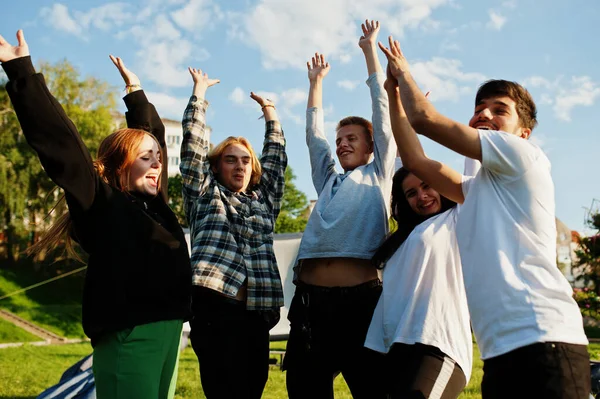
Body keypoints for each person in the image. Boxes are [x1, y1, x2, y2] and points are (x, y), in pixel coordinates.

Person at [378, 36, 590, 399]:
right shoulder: (471, 191)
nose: (485, 114)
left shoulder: (524, 156)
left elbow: (424, 119)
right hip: (499, 352)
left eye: (500, 109)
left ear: (523, 132)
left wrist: (403, 73)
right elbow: (414, 161)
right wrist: (394, 98)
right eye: (479, 107)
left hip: (546, 340)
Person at [0, 30, 192, 399]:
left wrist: (135, 94)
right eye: (146, 158)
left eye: (158, 157)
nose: (157, 164)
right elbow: (60, 143)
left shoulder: (156, 207)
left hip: (168, 332)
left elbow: (150, 137)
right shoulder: (101, 203)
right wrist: (20, 69)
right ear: (120, 167)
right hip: (130, 335)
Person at [283, 20, 395, 399]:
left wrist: (369, 52)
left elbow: (382, 115)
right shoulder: (327, 180)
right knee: (304, 388)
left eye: (352, 139)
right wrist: (315, 83)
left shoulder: (379, 174)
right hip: (310, 304)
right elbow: (314, 138)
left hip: (359, 305)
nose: (343, 144)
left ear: (370, 147)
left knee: (372, 389)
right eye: (340, 139)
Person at [179, 67, 287, 399]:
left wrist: (270, 114)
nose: (239, 165)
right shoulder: (203, 193)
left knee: (252, 389)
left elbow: (276, 161)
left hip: (255, 312)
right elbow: (193, 148)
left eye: (245, 161)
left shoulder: (263, 202)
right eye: (230, 160)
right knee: (222, 389)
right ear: (216, 166)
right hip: (214, 309)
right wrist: (199, 93)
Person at [364, 75, 472, 398]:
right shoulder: (404, 238)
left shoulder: (457, 218)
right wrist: (393, 100)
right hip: (396, 348)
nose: (421, 196)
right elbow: (403, 159)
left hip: (439, 346)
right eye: (411, 194)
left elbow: (416, 160)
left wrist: (409, 108)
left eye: (426, 186)